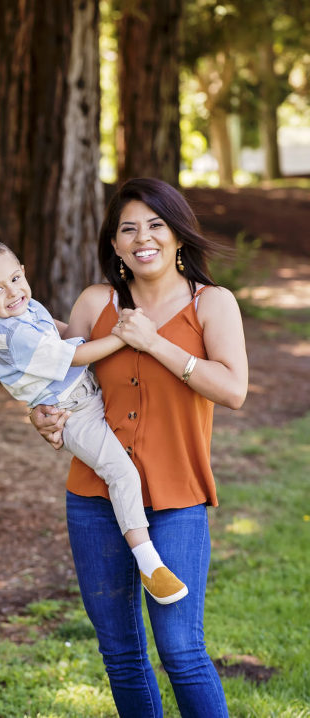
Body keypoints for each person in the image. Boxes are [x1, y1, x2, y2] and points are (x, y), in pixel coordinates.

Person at [30, 177, 248, 718]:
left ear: (177, 235)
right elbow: (57, 378)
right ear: (114, 243)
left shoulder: (212, 303)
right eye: (128, 228)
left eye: (156, 224)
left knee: (182, 651)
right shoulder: (96, 302)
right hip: (94, 498)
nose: (142, 238)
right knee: (122, 655)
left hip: (177, 498)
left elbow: (234, 390)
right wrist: (42, 413)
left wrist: (154, 342)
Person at [0, 240, 188, 605]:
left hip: (88, 397)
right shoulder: (12, 335)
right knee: (121, 473)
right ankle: (150, 564)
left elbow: (59, 332)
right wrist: (123, 338)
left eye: (15, 278)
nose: (13, 291)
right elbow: (74, 354)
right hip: (72, 414)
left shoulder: (23, 309)